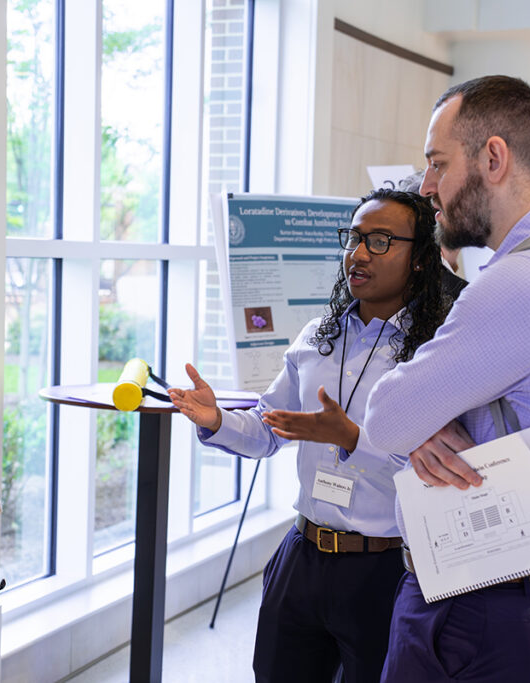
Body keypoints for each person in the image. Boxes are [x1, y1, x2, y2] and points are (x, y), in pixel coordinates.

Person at [364, 75, 530, 682]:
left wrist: (420, 423)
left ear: (493, 157)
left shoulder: (523, 283)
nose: (427, 186)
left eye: (438, 164)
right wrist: (427, 423)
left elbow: (385, 419)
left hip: (478, 608)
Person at [169, 188, 464, 683]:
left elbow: (434, 468)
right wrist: (216, 420)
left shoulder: (435, 350)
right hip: (303, 555)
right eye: (354, 238)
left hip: (386, 567)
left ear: (419, 259)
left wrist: (352, 438)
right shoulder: (317, 336)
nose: (359, 253)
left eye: (381, 240)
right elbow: (268, 430)